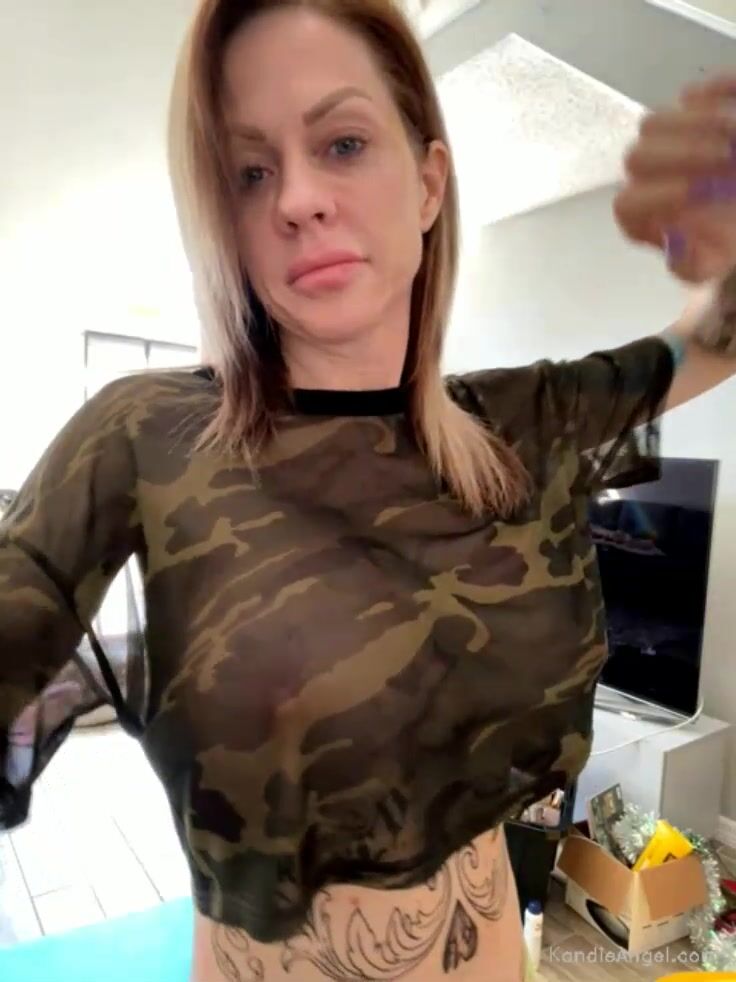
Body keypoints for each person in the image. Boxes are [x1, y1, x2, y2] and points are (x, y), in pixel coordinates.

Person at [1, 1, 736, 979]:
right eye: (249, 171)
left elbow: (710, 337)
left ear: (427, 184)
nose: (297, 198)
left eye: (342, 143)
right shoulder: (143, 437)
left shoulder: (519, 421)